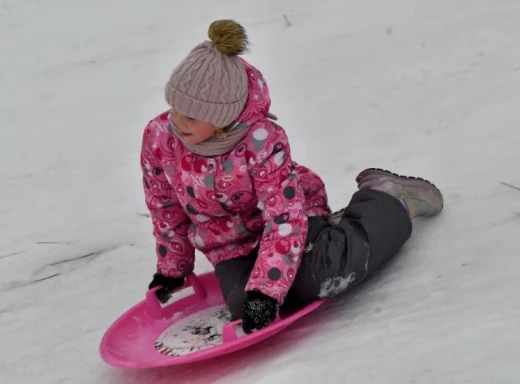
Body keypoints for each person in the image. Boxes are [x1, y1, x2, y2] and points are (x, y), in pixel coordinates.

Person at [141, 20, 443, 334]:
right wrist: (172, 271)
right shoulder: (159, 137)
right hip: (230, 246)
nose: (176, 120)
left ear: (221, 119)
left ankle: (387, 200)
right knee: (246, 309)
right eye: (173, 107)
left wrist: (266, 290)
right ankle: (330, 236)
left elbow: (283, 216)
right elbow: (164, 206)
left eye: (190, 115)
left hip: (288, 224)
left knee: (325, 275)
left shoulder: (261, 141)